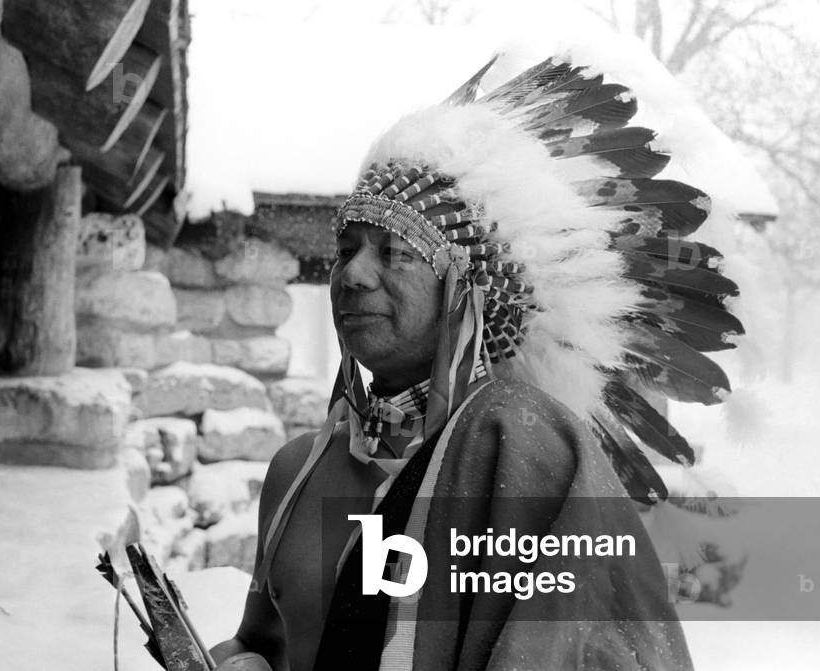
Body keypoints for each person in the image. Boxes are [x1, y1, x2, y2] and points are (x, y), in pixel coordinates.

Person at [210, 52, 743, 671]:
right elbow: (267, 645)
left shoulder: (526, 449)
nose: (353, 275)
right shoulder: (297, 470)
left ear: (467, 290)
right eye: (346, 249)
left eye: (395, 253)